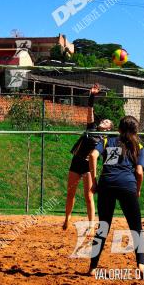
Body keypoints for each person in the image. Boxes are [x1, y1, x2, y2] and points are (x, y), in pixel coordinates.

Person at [87, 115, 144, 274]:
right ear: (135, 130)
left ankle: (93, 267)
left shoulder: (108, 141)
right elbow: (139, 173)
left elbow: (93, 156)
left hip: (107, 185)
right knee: (136, 228)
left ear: (119, 129)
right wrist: (137, 189)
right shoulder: (138, 146)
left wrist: (94, 180)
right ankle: (141, 265)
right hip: (127, 185)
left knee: (103, 227)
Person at [62, 84, 112, 230]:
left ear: (109, 128)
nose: (104, 121)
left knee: (88, 196)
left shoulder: (106, 140)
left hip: (89, 167)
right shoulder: (91, 128)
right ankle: (67, 219)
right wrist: (92, 95)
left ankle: (91, 225)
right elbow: (90, 110)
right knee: (70, 193)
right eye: (104, 120)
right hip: (77, 161)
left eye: (107, 122)